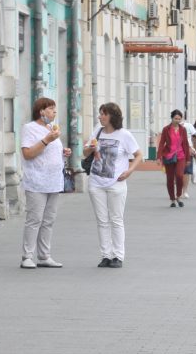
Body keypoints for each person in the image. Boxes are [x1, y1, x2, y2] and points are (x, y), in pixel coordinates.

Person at [85, 102, 142, 267]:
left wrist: (130, 170)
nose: (100, 117)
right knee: (102, 220)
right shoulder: (97, 131)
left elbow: (138, 155)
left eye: (103, 114)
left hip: (116, 183)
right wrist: (91, 148)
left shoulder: (124, 135)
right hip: (96, 182)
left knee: (116, 219)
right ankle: (106, 255)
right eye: (100, 113)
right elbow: (85, 152)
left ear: (112, 116)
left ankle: (118, 256)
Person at [19, 96, 72, 268]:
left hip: (54, 180)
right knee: (35, 219)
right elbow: (28, 153)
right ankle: (27, 256)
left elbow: (49, 151)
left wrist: (63, 152)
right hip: (37, 180)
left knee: (49, 220)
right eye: (50, 109)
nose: (54, 113)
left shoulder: (51, 128)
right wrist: (47, 140)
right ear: (41, 111)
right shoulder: (30, 128)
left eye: (55, 110)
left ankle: (44, 255)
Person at [157, 109, 191, 207]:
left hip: (181, 156)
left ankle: (179, 196)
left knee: (180, 175)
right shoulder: (166, 129)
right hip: (169, 156)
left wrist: (188, 158)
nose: (177, 120)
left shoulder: (182, 129)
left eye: (179, 119)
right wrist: (159, 157)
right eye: (176, 118)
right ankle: (172, 199)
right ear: (172, 118)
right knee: (170, 178)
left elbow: (185, 143)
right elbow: (161, 143)